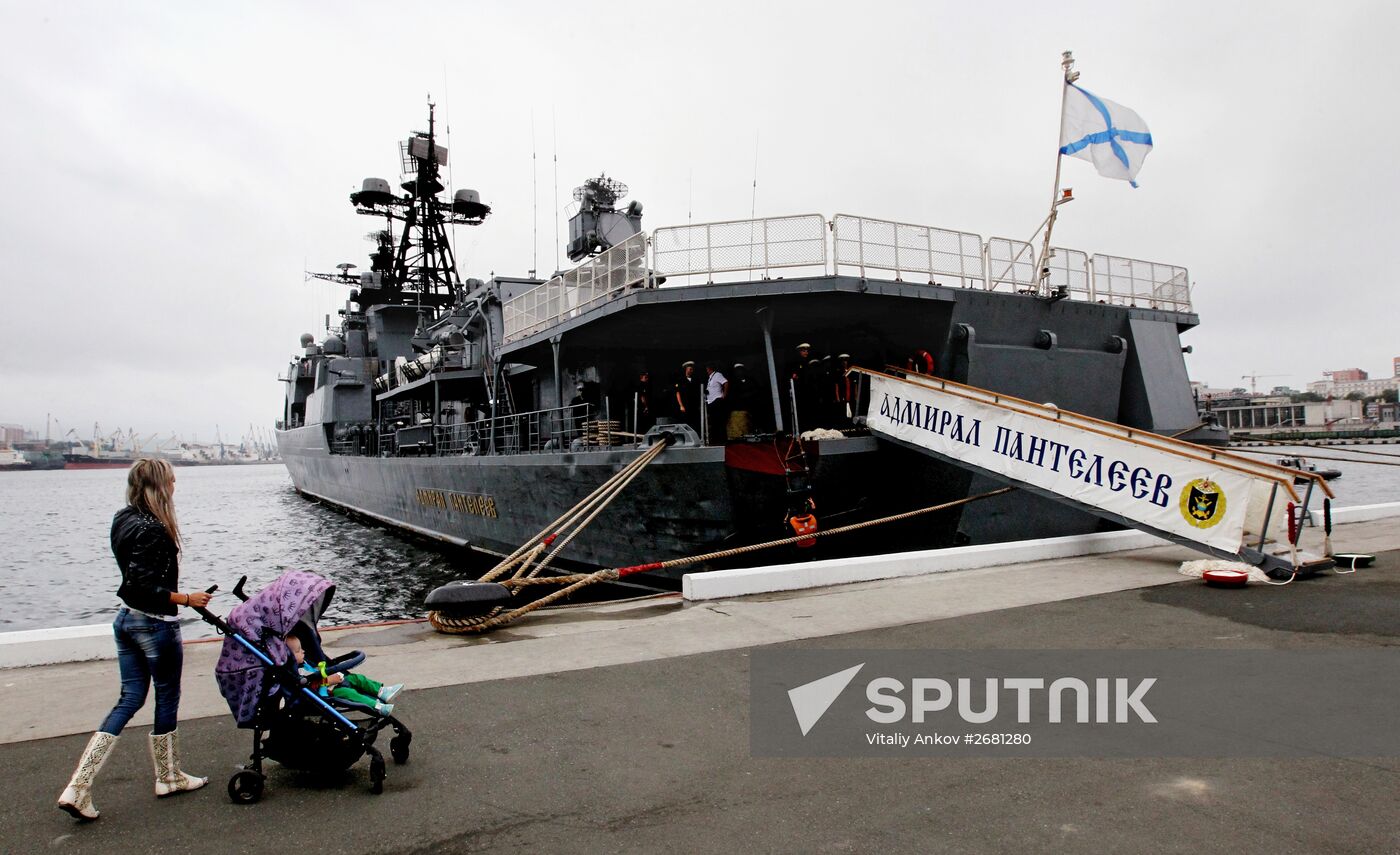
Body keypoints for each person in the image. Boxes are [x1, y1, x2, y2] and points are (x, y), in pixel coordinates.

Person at [58, 458, 214, 822]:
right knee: (167, 697)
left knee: (128, 699)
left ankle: (78, 786)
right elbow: (144, 585)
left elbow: (131, 582)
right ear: (161, 486)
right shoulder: (156, 529)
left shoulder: (123, 519)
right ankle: (169, 776)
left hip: (125, 620)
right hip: (155, 626)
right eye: (172, 481)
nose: (175, 486)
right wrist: (187, 599)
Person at [284, 632, 403, 716]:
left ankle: (382, 691)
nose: (303, 651)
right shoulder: (298, 672)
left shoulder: (303, 664)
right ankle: (378, 707)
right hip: (326, 693)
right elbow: (310, 684)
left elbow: (313, 672)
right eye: (298, 650)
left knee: (356, 678)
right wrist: (329, 680)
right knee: (349, 693)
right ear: (290, 657)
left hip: (332, 683)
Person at [703, 362, 729, 445]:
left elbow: (726, 382)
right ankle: (716, 440)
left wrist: (724, 395)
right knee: (714, 422)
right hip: (711, 402)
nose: (706, 370)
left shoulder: (717, 375)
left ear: (709, 369)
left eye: (707, 369)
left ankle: (723, 440)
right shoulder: (710, 378)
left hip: (717, 400)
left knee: (719, 421)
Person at [673, 360, 702, 434]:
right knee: (686, 423)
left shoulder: (695, 380)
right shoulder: (680, 380)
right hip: (685, 405)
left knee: (695, 423)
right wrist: (681, 405)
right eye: (690, 369)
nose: (692, 371)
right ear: (686, 369)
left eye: (692, 369)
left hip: (694, 405)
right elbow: (678, 393)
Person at [726, 363, 753, 439]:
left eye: (741, 370)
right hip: (738, 409)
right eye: (737, 371)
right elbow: (733, 395)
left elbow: (755, 391)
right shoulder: (733, 383)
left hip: (749, 408)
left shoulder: (750, 381)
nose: (739, 372)